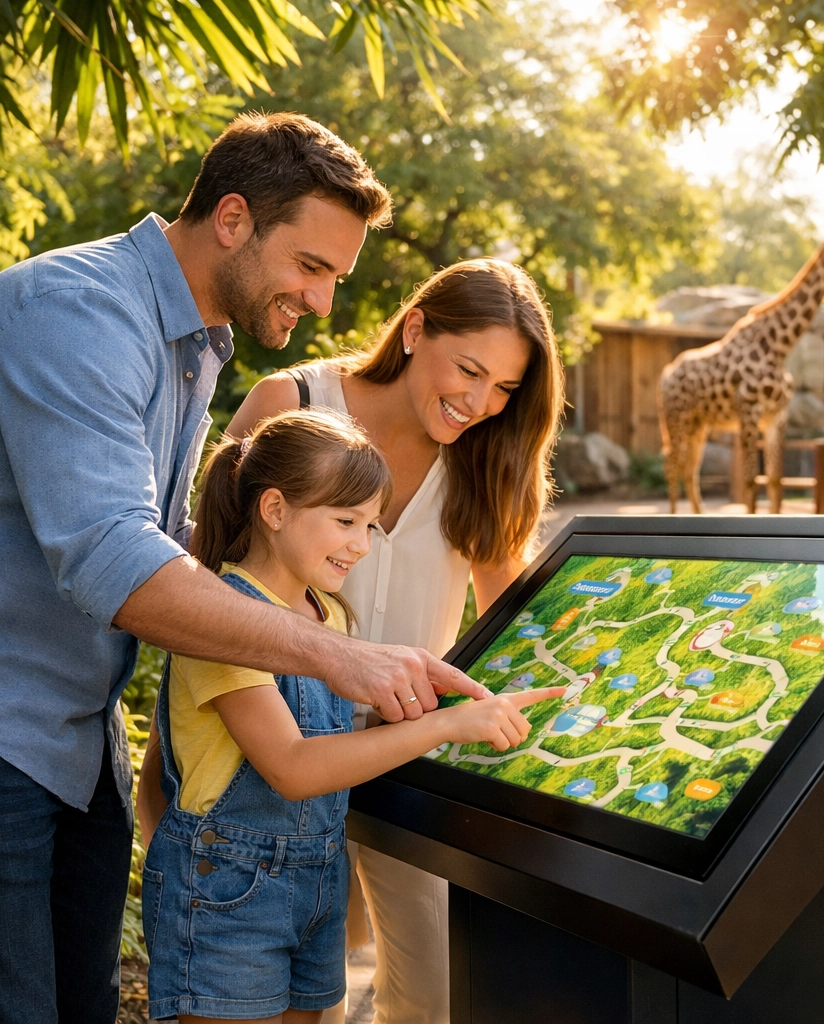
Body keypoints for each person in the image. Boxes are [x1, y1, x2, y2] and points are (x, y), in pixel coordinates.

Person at [0, 112, 490, 1024]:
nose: (324, 302)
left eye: (336, 277)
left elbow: (177, 542)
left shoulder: (194, 343)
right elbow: (115, 560)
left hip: (66, 731)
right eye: (312, 268)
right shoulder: (78, 313)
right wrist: (335, 656)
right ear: (232, 220)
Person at [138, 408, 562, 1023]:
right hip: (227, 891)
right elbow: (292, 766)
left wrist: (437, 704)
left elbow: (329, 736)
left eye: (370, 524)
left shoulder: (327, 615)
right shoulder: (223, 618)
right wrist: (440, 727)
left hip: (315, 884)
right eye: (345, 521)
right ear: (275, 509)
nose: (361, 545)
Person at [226, 258, 565, 1024]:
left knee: (435, 994)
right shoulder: (293, 403)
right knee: (300, 997)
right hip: (273, 748)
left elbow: (509, 619)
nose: (481, 403)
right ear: (415, 329)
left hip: (409, 756)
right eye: (469, 370)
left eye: (506, 389)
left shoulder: (484, 456)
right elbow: (213, 587)